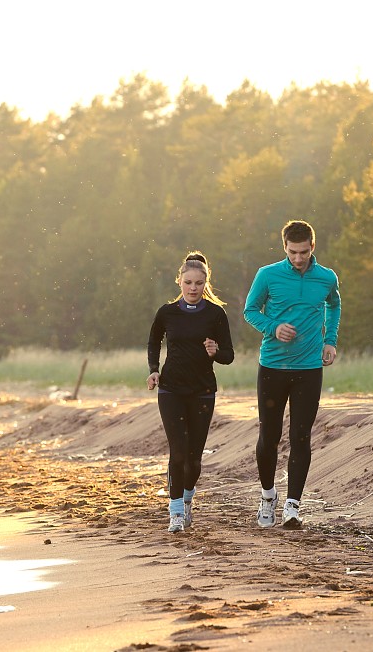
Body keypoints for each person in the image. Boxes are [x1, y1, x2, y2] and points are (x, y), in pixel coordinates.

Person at [243, 219, 341, 528]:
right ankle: (268, 497)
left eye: (303, 252)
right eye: (292, 252)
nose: (298, 258)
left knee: (301, 436)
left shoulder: (326, 277)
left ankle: (293, 505)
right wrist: (273, 327)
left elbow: (334, 305)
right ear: (284, 247)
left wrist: (330, 341)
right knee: (269, 436)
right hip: (272, 367)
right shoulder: (268, 275)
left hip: (309, 369)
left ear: (313, 247)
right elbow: (250, 311)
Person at [147, 252, 234, 533]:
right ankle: (174, 512)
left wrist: (215, 352)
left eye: (198, 283)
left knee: (194, 458)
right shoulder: (167, 312)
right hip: (170, 389)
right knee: (179, 453)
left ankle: (186, 500)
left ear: (206, 282)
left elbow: (229, 355)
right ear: (179, 282)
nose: (193, 288)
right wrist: (153, 369)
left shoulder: (215, 314)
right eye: (188, 282)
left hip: (202, 391)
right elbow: (153, 341)